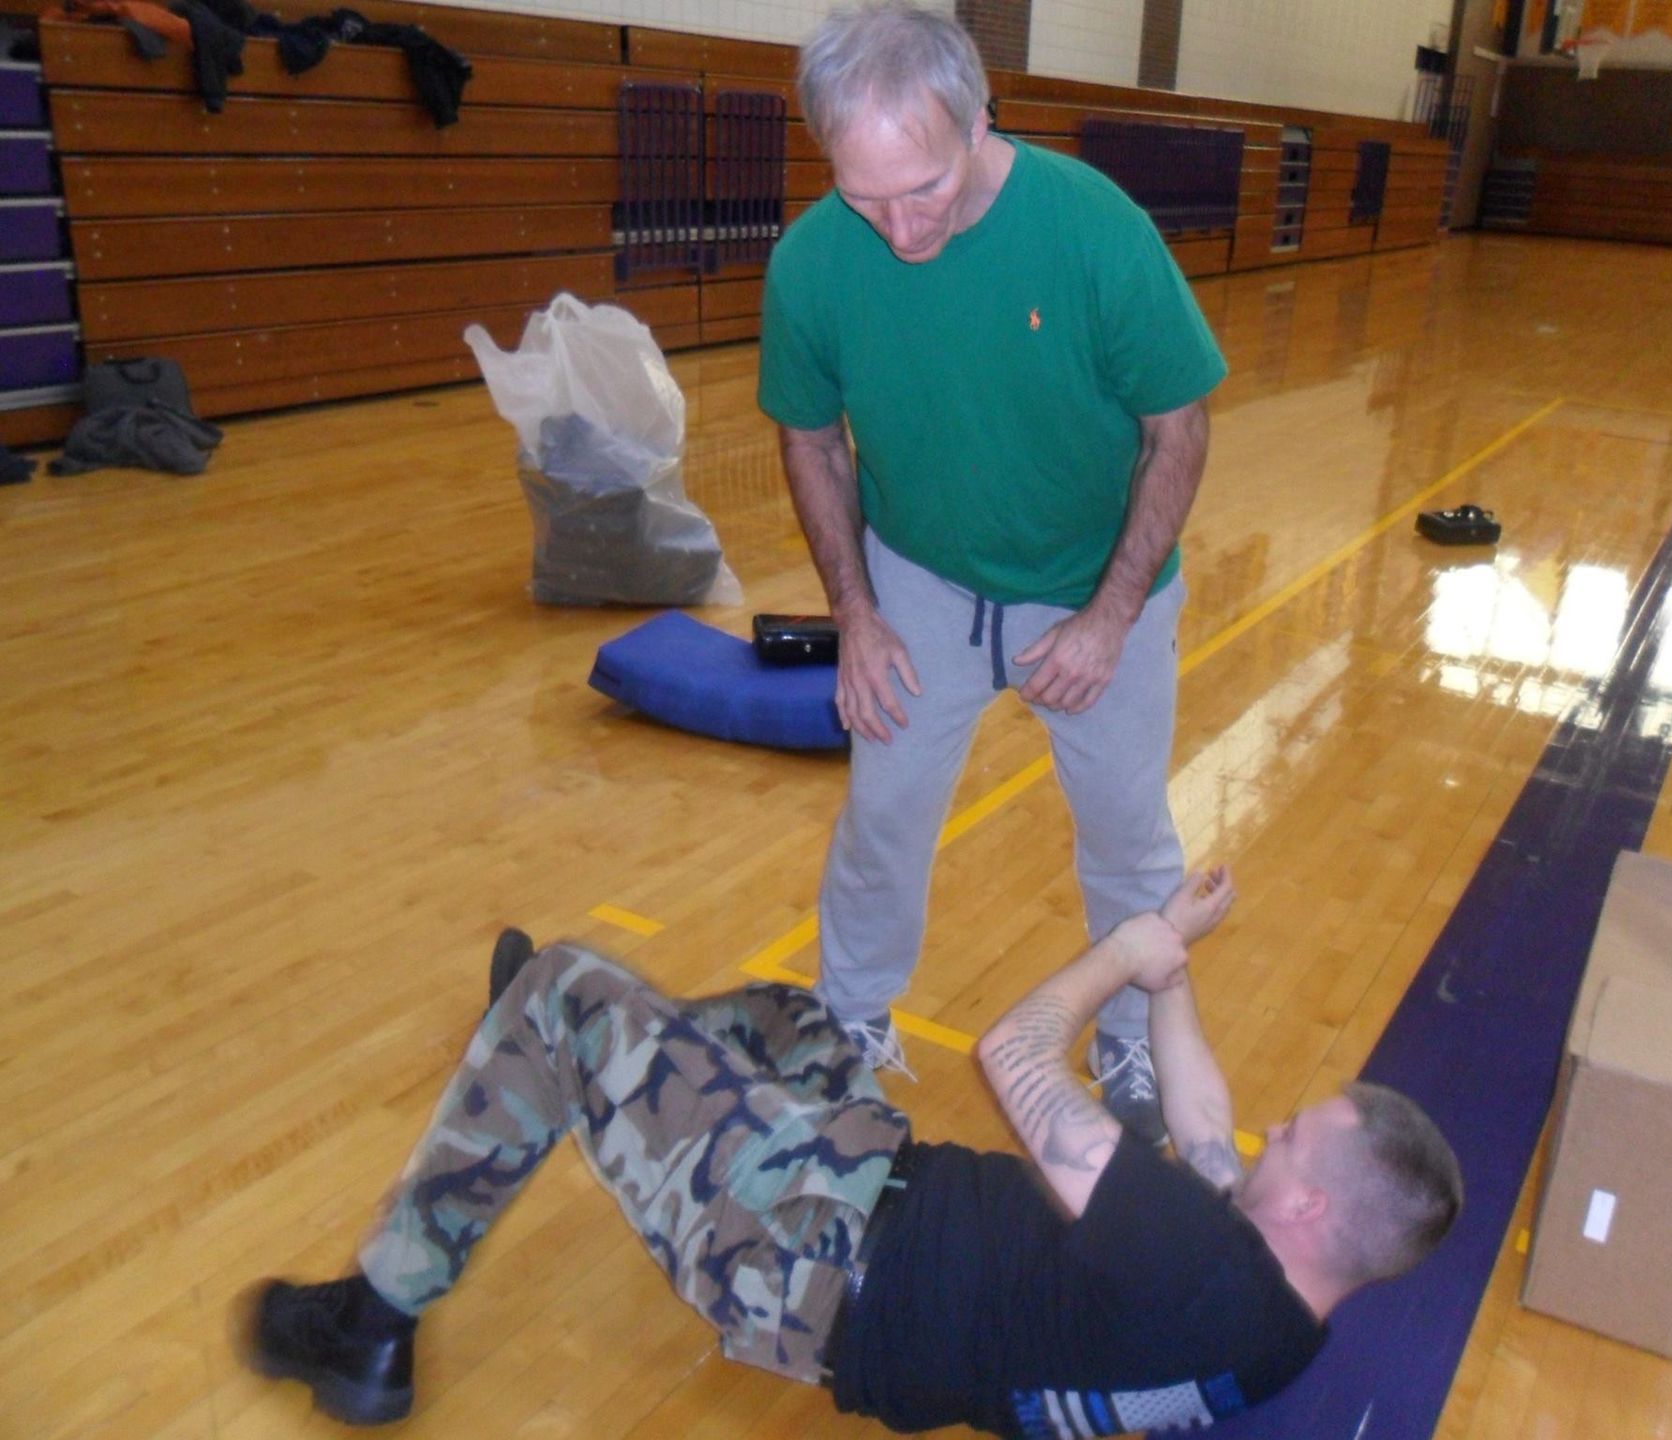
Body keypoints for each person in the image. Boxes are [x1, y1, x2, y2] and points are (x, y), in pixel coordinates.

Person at [242, 868, 1464, 1436]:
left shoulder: (1195, 1264)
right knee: (801, 1023)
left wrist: (1119, 955)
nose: (1267, 1128)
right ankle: (579, 1063)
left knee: (564, 981)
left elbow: (1015, 1052)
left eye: (1294, 1137)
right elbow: (1203, 1131)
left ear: (1311, 1209)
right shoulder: (1278, 1313)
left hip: (807, 1253)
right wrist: (1174, 967)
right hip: (872, 1208)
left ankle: (373, 1321)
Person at [756, 1, 1228, 1140]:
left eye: (922, 188)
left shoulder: (1094, 231)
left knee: (1125, 834)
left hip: (1095, 583)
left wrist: (1112, 616)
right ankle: (848, 1022)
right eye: (864, 196)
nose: (899, 227)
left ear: (978, 122)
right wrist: (857, 615)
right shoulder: (814, 260)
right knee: (882, 817)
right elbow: (811, 442)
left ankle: (1133, 1036)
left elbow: (1178, 428)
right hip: (919, 581)